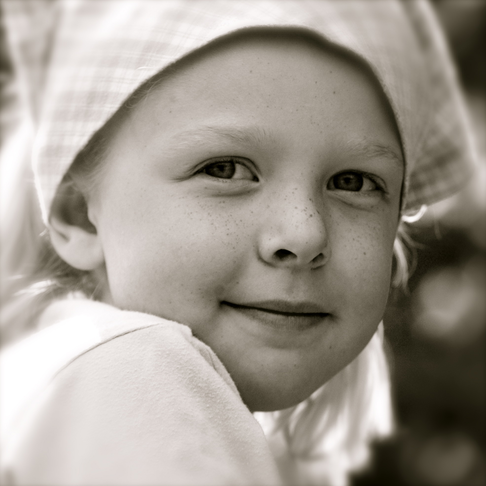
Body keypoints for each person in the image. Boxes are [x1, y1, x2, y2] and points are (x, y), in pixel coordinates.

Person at [0, 1, 476, 485]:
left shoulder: (66, 381)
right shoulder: (137, 371)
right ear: (80, 216)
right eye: (224, 169)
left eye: (352, 182)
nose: (304, 234)